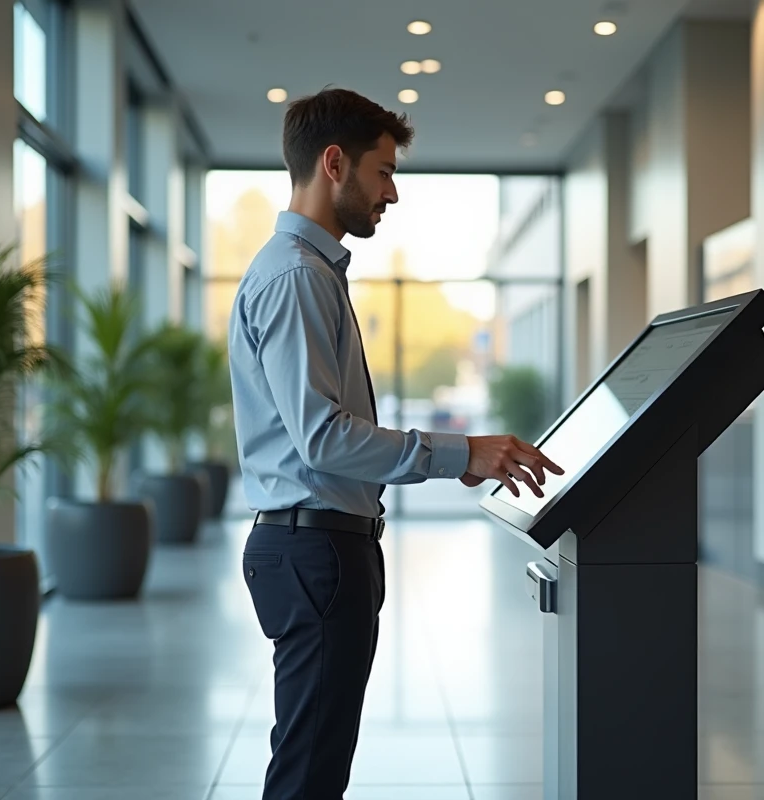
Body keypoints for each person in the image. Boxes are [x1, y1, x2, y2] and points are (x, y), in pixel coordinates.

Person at [227, 88, 564, 800]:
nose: (393, 193)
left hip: (320, 545)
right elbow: (321, 437)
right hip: (316, 549)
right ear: (333, 163)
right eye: (383, 171)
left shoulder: (307, 271)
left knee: (312, 761)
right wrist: (460, 453)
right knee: (309, 770)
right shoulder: (295, 276)